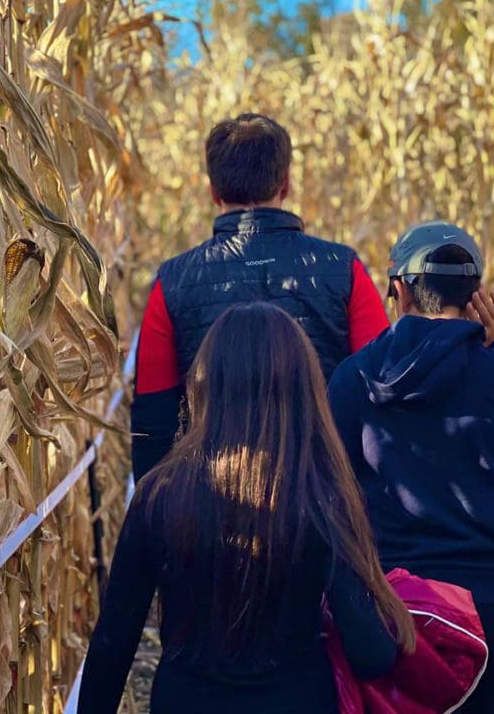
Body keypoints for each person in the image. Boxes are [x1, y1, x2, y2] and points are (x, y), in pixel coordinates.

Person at [81, 303, 415, 714]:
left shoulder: (160, 494)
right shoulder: (320, 495)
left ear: (205, 385)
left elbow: (113, 642)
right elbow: (371, 655)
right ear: (301, 391)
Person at [327, 221, 494, 714]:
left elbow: (333, 489)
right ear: (477, 294)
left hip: (401, 614)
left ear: (398, 289)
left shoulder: (353, 380)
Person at [130, 113, 389, 481]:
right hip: (326, 499)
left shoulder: (173, 282)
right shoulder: (345, 270)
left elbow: (153, 420)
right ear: (285, 184)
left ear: (213, 191)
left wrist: (153, 513)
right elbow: (378, 389)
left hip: (211, 504)